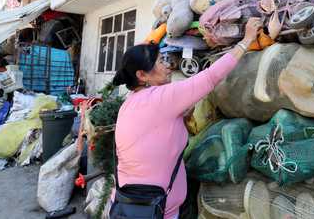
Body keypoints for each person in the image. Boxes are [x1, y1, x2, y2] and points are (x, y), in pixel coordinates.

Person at [111, 17, 263, 219]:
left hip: (130, 206)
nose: (167, 66)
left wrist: (181, 119)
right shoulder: (160, 97)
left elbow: (154, 141)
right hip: (155, 210)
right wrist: (247, 40)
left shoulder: (129, 103)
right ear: (142, 75)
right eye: (159, 62)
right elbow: (211, 76)